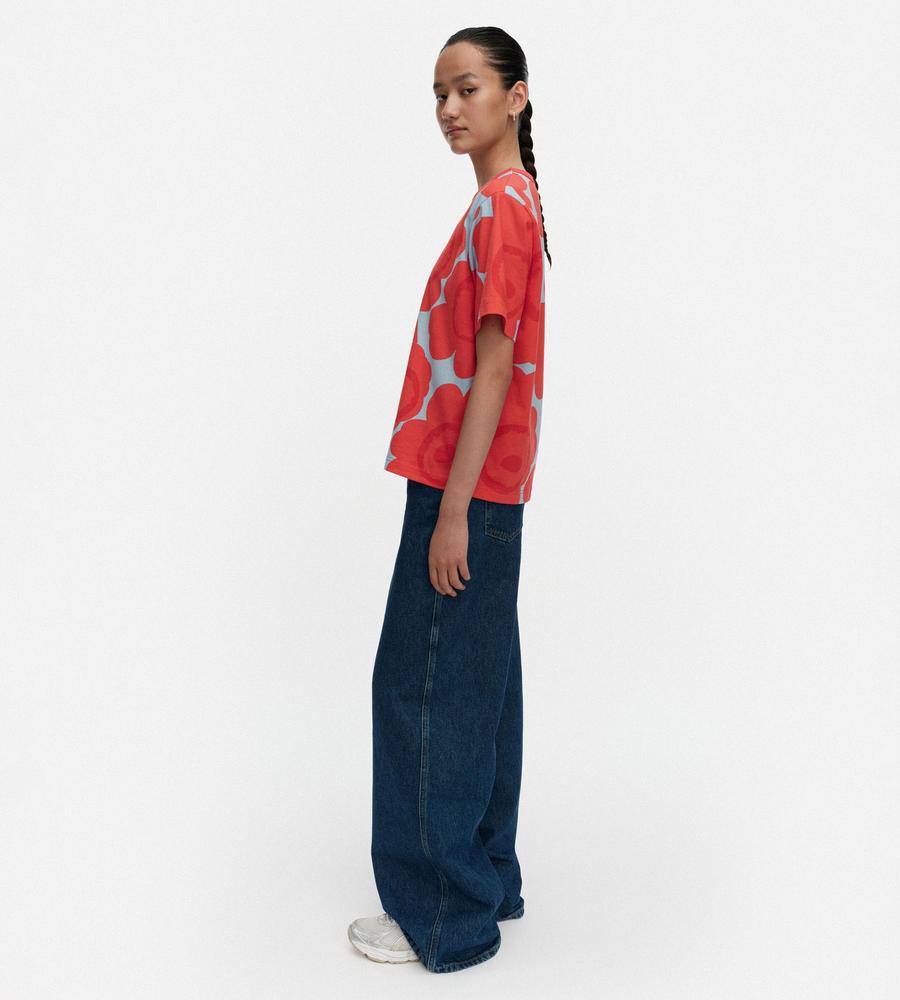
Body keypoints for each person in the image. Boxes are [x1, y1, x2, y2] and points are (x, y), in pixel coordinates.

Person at [347, 26, 551, 974]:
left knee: (422, 692)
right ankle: (487, 878)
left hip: (461, 488)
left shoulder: (503, 207)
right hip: (482, 485)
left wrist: (456, 510)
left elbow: (495, 366)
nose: (449, 108)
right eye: (439, 93)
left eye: (468, 88)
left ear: (516, 96)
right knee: (480, 687)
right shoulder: (510, 203)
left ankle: (442, 912)